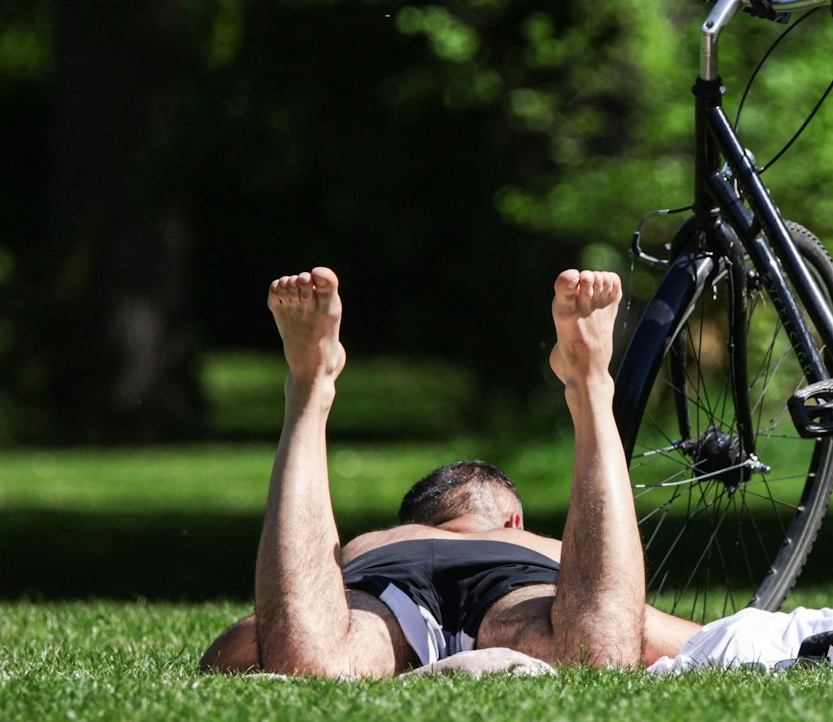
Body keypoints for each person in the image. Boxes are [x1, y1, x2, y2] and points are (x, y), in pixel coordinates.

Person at [198, 265, 703, 677]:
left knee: (309, 663)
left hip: (377, 588)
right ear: (514, 520)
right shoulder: (530, 546)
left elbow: (240, 643)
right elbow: (673, 638)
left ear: (412, 520)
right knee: (597, 655)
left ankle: (311, 389)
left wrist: (269, 635)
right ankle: (590, 386)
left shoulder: (377, 543)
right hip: (521, 589)